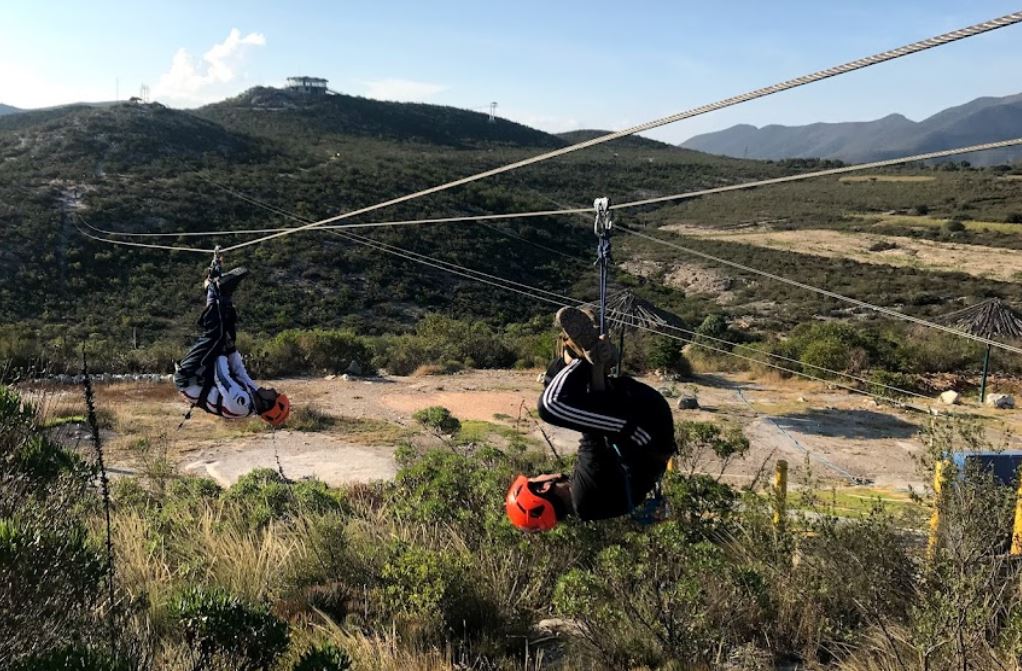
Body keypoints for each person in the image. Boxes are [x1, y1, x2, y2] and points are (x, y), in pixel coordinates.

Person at [506, 306, 675, 531]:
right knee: (550, 406)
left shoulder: (585, 504)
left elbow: (596, 427)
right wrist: (588, 365)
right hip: (645, 425)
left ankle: (587, 354)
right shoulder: (585, 496)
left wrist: (596, 373)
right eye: (537, 477)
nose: (542, 474)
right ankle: (580, 355)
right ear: (544, 487)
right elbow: (592, 434)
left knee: (551, 381)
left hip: (641, 426)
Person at [173, 265, 290, 427]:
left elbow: (222, 378)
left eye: (274, 395)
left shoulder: (241, 405)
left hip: (189, 379)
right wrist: (231, 348)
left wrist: (222, 349)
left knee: (215, 335)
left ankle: (213, 289)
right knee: (227, 333)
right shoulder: (253, 394)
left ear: (268, 405)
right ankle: (222, 293)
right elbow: (240, 372)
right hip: (203, 375)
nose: (273, 390)